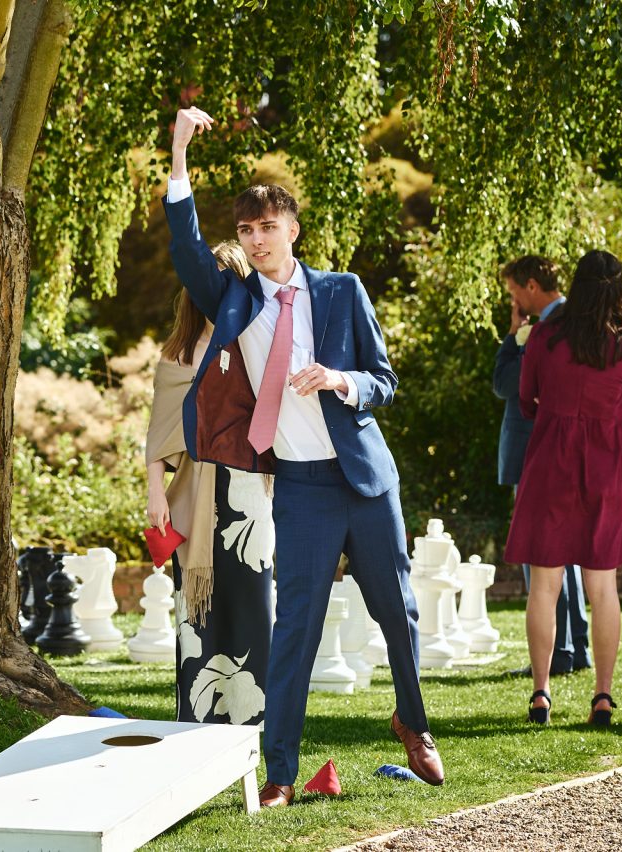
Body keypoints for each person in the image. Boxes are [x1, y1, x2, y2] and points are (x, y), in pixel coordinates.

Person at [163, 106, 442, 808]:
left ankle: (413, 724)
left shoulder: (343, 291)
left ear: (293, 229)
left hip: (367, 482)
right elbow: (186, 246)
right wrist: (179, 156)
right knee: (295, 631)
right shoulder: (233, 300)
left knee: (398, 613)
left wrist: (341, 380)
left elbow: (385, 380)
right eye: (246, 230)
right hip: (301, 489)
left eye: (267, 227)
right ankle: (281, 773)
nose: (256, 240)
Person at [504, 250, 622, 726]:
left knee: (544, 585)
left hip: (550, 465)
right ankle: (602, 696)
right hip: (604, 469)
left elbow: (526, 399)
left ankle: (541, 693)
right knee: (603, 587)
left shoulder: (544, 337)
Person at [145, 240, 275, 727]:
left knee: (251, 607)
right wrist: (154, 493)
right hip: (193, 498)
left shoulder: (254, 349)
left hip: (249, 499)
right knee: (197, 613)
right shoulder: (177, 356)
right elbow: (159, 432)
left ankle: (253, 727)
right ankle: (198, 725)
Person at [493, 256, 591, 677]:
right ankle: (575, 647)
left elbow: (505, 384)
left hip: (537, 453)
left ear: (531, 286)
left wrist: (513, 335)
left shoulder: (549, 329)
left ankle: (560, 653)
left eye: (514, 292)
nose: (513, 300)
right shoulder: (574, 321)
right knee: (565, 556)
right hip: (561, 453)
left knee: (543, 555)